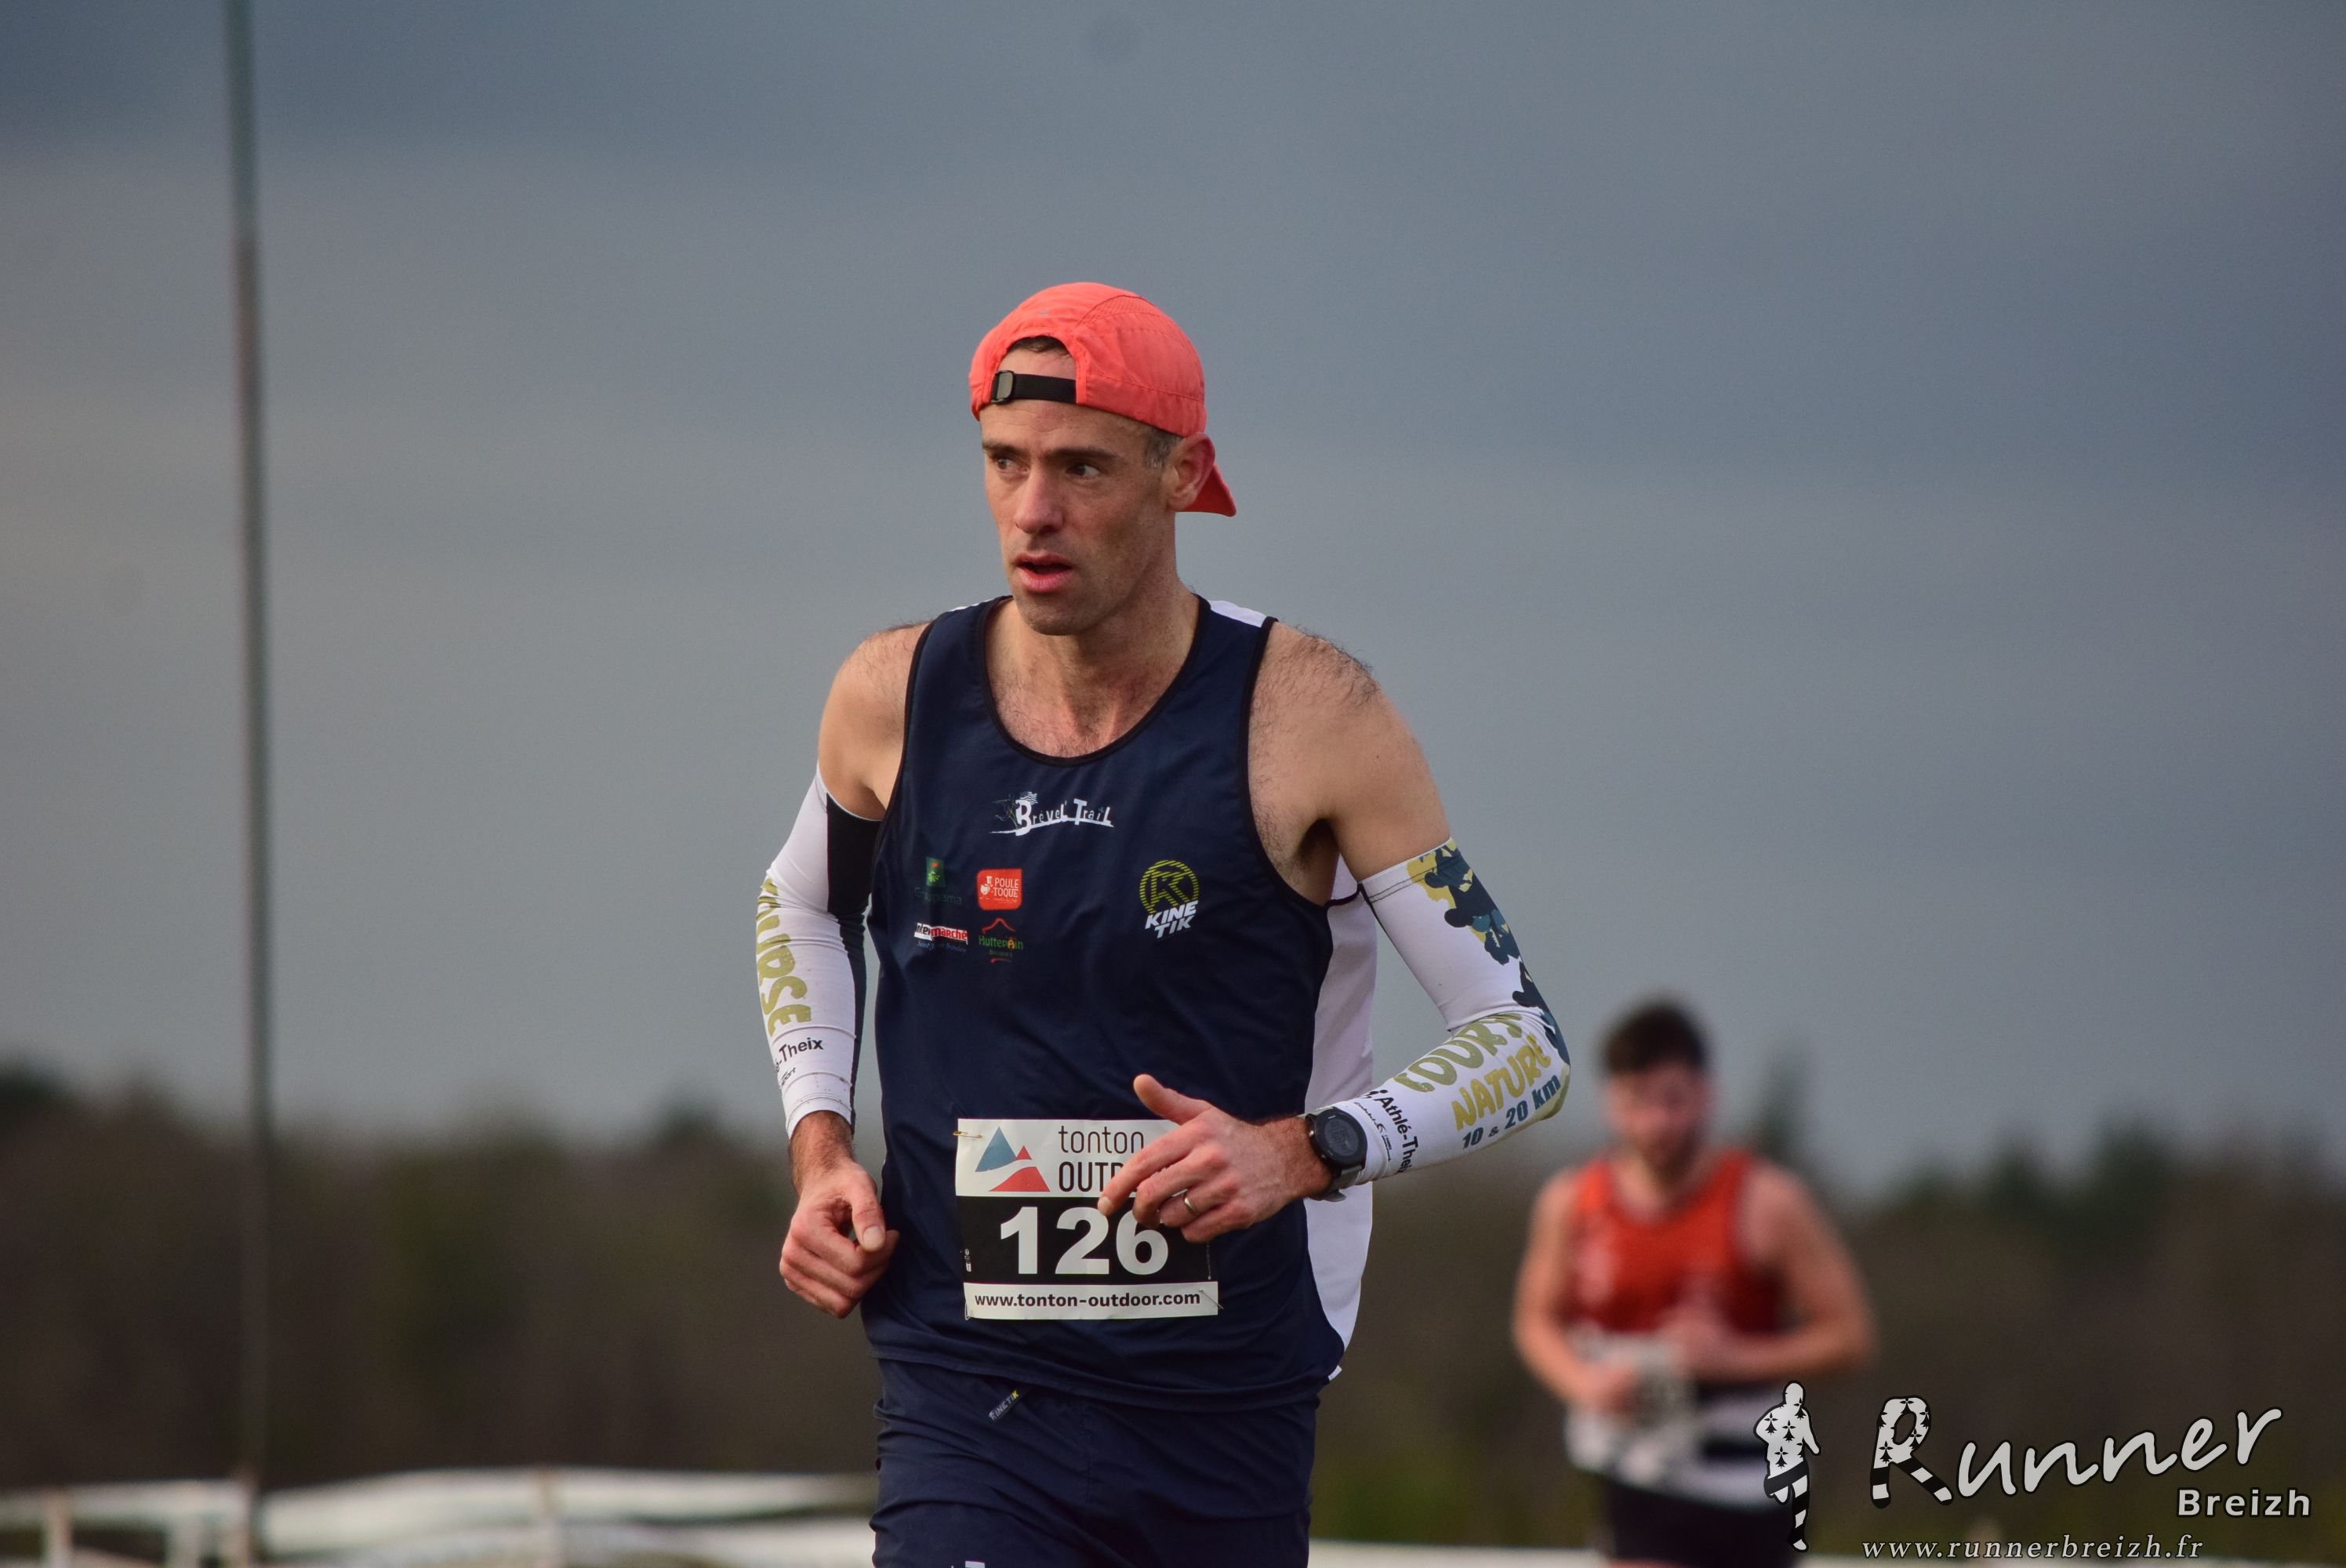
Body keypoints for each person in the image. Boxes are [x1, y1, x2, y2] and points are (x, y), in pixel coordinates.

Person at [754, 281, 1571, 1566]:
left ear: (1180, 474)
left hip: (1225, 1395)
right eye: (1006, 463)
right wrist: (820, 1150)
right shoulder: (892, 697)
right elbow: (798, 901)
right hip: (966, 1386)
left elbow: (1523, 1042)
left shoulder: (1314, 716)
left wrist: (1305, 1152)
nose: (1034, 510)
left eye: (1081, 468)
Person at [1512, 999, 1875, 1568]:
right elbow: (1535, 1320)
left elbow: (1851, 1337)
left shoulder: (1768, 1202)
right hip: (1638, 1476)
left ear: (1707, 1094)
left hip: (1755, 1483)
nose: (1657, 1123)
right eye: (1637, 1101)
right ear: (1610, 1101)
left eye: (1673, 1100)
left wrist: (1734, 1358)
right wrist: (1584, 1383)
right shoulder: (1572, 1203)